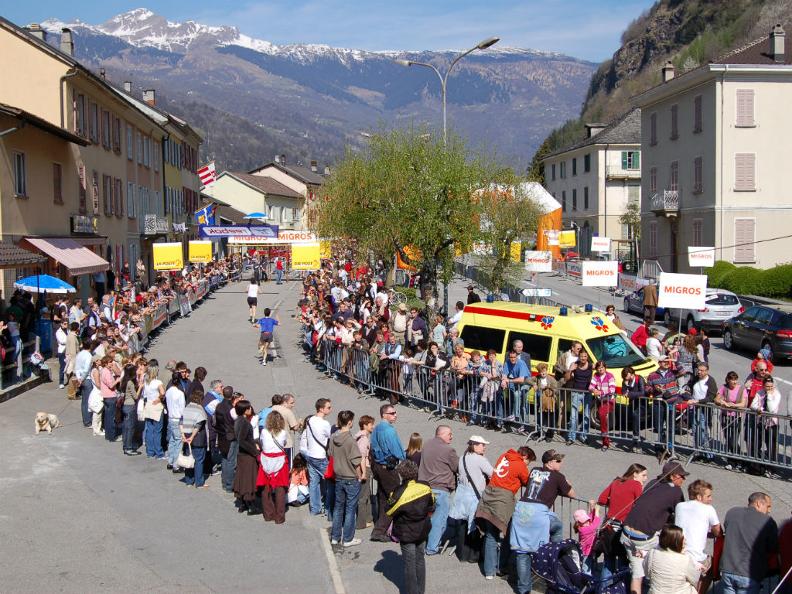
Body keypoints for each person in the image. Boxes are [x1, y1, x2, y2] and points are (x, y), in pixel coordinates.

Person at [512, 449, 577, 594]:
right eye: (558, 461)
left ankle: (523, 589)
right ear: (549, 462)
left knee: (522, 552)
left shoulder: (534, 470)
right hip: (537, 513)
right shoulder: (558, 477)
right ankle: (555, 557)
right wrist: (566, 484)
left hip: (522, 509)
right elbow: (572, 494)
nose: (561, 463)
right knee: (553, 532)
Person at [621, 461, 688, 594]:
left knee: (637, 574)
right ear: (672, 476)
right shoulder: (676, 491)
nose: (684, 479)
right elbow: (681, 512)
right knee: (665, 562)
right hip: (644, 538)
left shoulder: (653, 482)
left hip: (627, 531)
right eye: (681, 476)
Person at [475, 446, 535, 581]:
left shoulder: (504, 456)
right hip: (503, 500)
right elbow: (527, 481)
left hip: (489, 494)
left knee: (490, 534)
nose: (527, 465)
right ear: (525, 457)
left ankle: (489, 570)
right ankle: (501, 566)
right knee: (506, 533)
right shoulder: (520, 464)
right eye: (528, 462)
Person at [386, 460, 435, 594]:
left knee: (410, 564)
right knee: (420, 560)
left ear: (401, 474)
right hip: (423, 529)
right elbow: (432, 504)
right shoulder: (425, 486)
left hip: (406, 532)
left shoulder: (398, 492)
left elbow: (389, 510)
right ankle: (421, 591)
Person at [597, 463, 648, 582]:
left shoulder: (616, 482)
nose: (645, 479)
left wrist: (615, 503)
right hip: (622, 527)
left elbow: (602, 499)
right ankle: (620, 587)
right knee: (622, 561)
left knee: (608, 560)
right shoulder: (636, 485)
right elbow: (641, 505)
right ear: (635, 474)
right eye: (643, 475)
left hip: (609, 525)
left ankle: (604, 588)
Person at [720, 492, 779, 594]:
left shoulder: (732, 512)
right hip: (749, 574)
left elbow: (727, 529)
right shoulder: (768, 521)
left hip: (727, 570)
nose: (769, 510)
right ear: (758, 503)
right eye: (768, 506)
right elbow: (773, 547)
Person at [449, 435, 492, 563]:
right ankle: (474, 555)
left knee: (462, 524)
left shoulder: (463, 457)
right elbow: (492, 473)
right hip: (474, 495)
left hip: (462, 494)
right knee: (475, 524)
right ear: (475, 445)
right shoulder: (480, 460)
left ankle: (462, 554)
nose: (484, 447)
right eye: (482, 445)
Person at [418, 425, 459, 555]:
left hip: (425, 487)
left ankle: (423, 542)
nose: (451, 437)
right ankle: (432, 547)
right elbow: (457, 467)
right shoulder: (448, 450)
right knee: (439, 520)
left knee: (427, 517)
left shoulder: (427, 445)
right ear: (442, 434)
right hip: (441, 488)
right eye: (450, 434)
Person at [675, 480, 720, 593]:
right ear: (699, 497)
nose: (711, 499)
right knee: (712, 565)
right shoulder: (709, 509)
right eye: (708, 496)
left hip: (678, 553)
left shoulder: (679, 506)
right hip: (696, 557)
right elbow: (717, 530)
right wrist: (712, 533)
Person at [370, 404, 406, 542]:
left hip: (378, 466)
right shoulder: (389, 430)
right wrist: (405, 457)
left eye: (395, 412)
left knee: (383, 497)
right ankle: (380, 530)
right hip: (388, 468)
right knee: (395, 500)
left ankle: (382, 527)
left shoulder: (377, 428)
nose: (395, 415)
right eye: (392, 413)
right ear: (384, 415)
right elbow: (397, 451)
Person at [329, 410, 364, 546]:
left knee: (338, 507)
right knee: (350, 509)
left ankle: (335, 537)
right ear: (349, 422)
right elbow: (356, 462)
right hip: (350, 477)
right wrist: (359, 475)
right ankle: (348, 539)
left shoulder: (333, 437)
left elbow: (330, 454)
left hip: (338, 476)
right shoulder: (350, 440)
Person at [642, 524, 701, 594]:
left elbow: (647, 573)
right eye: (682, 538)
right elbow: (695, 579)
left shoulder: (652, 553)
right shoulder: (685, 559)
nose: (685, 540)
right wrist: (697, 568)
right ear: (675, 541)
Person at [300, 398, 333, 517]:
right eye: (328, 407)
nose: (330, 409)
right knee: (330, 481)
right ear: (321, 409)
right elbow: (330, 436)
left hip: (310, 455)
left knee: (314, 482)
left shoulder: (310, 420)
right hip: (320, 456)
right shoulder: (325, 424)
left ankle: (315, 508)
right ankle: (329, 509)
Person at [647, 356, 681, 460]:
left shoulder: (672, 373)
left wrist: (675, 361)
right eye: (664, 361)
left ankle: (670, 448)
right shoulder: (652, 375)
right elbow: (647, 388)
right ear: (659, 363)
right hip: (659, 404)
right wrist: (654, 389)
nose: (666, 363)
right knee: (659, 427)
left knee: (671, 427)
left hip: (671, 403)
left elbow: (683, 371)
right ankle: (660, 447)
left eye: (667, 361)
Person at [259, 410, 289, 523]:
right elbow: (284, 444)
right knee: (280, 488)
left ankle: (268, 514)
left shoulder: (264, 432)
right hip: (279, 461)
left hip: (266, 460)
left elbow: (262, 443)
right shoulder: (283, 433)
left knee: (265, 488)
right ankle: (279, 516)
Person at [750, 376, 782, 473]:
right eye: (767, 386)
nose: (769, 388)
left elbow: (772, 409)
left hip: (772, 424)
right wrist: (758, 409)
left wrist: (769, 396)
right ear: (763, 386)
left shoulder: (777, 394)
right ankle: (757, 466)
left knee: (771, 446)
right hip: (761, 422)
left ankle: (770, 468)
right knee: (757, 444)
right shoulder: (759, 392)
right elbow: (752, 405)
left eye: (771, 386)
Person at [715, 371, 747, 468]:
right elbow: (716, 399)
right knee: (728, 439)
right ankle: (734, 461)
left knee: (733, 439)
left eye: (735, 380)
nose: (734, 382)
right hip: (725, 417)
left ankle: (736, 461)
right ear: (728, 380)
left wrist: (733, 405)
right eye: (732, 380)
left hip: (736, 417)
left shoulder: (742, 389)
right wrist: (722, 402)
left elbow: (743, 404)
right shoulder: (724, 387)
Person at [233, 399, 259, 513]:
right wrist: (254, 451)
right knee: (249, 480)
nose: (250, 409)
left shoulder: (238, 420)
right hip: (247, 455)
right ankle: (250, 505)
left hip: (241, 455)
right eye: (248, 408)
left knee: (242, 479)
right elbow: (242, 440)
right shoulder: (244, 423)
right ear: (244, 410)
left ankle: (243, 503)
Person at [179, 389, 209, 488]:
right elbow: (198, 425)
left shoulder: (186, 408)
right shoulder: (200, 409)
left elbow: (180, 422)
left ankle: (189, 481)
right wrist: (192, 436)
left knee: (189, 459)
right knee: (199, 460)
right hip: (198, 439)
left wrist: (183, 435)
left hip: (186, 437)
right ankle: (199, 482)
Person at [565, 348, 593, 445]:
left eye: (585, 356)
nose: (583, 358)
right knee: (573, 417)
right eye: (581, 356)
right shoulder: (575, 364)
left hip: (587, 394)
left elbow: (601, 370)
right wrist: (570, 370)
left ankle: (583, 436)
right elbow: (567, 378)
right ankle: (571, 437)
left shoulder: (591, 366)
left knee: (586, 416)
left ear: (587, 357)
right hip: (576, 393)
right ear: (579, 357)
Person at [689, 363, 717, 458]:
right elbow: (689, 387)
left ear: (707, 371)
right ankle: (697, 451)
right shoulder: (695, 378)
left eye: (702, 370)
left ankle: (708, 454)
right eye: (698, 370)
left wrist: (699, 401)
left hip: (704, 409)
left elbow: (711, 396)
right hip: (694, 408)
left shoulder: (711, 381)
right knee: (695, 429)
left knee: (703, 430)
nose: (699, 372)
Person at [216, 386, 240, 492]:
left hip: (221, 435)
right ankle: (230, 485)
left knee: (224, 459)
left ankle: (224, 482)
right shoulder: (231, 408)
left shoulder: (219, 406)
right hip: (230, 437)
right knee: (231, 461)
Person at [590, 360, 616, 450]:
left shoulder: (610, 376)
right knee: (602, 418)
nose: (600, 369)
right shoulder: (595, 375)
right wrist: (594, 390)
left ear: (605, 368)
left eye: (602, 367)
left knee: (601, 414)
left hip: (609, 400)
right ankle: (605, 437)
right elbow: (591, 386)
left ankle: (605, 442)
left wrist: (600, 392)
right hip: (600, 401)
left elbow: (612, 389)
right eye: (598, 368)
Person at [355, 415, 375, 529]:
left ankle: (368, 518)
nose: (373, 426)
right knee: (363, 496)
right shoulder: (364, 439)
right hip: (364, 468)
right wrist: (363, 473)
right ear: (365, 425)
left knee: (366, 493)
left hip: (364, 468)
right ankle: (361, 522)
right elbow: (361, 457)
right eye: (371, 424)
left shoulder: (361, 437)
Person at [165, 372, 187, 472]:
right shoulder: (180, 393)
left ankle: (170, 461)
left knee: (172, 440)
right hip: (178, 419)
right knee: (179, 441)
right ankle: (176, 465)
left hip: (170, 418)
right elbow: (182, 409)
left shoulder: (168, 391)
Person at [272, 393, 302, 464]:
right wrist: (299, 422)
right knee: (288, 464)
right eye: (291, 403)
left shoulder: (272, 409)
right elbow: (295, 427)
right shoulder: (287, 412)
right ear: (285, 402)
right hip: (286, 443)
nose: (293, 405)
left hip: (273, 442)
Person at [574, 501, 601, 573]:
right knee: (586, 569)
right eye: (585, 521)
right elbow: (596, 523)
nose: (588, 522)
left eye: (588, 520)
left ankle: (592, 574)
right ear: (578, 523)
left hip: (590, 550)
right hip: (586, 553)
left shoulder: (583, 526)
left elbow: (590, 517)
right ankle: (586, 579)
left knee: (590, 565)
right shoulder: (584, 530)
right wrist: (597, 511)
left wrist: (591, 507)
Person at [55, 319, 69, 389]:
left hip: (68, 350)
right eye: (64, 324)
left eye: (67, 324)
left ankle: (69, 381)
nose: (66, 325)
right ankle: (61, 382)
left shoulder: (68, 331)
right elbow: (61, 341)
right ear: (61, 324)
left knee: (69, 366)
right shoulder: (58, 332)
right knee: (63, 367)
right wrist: (69, 341)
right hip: (62, 351)